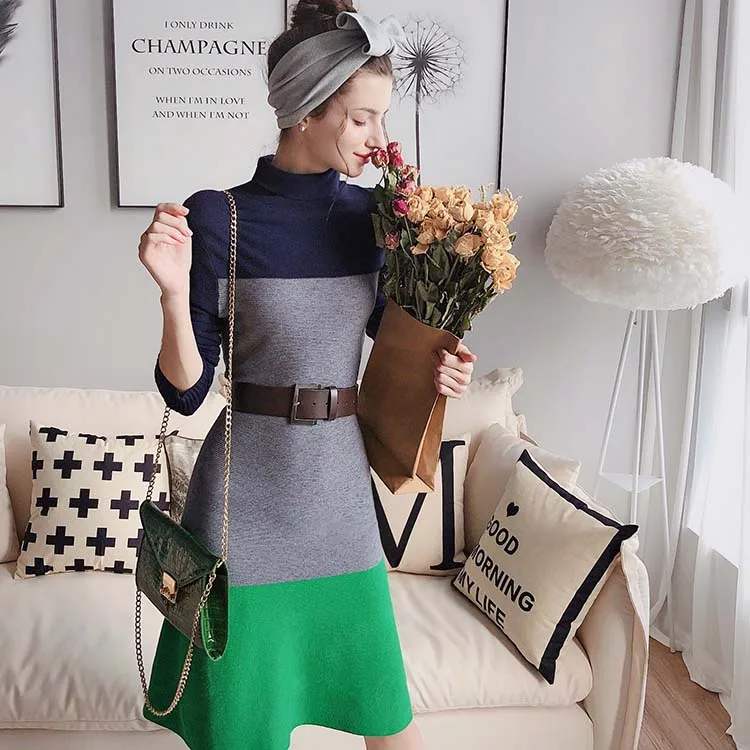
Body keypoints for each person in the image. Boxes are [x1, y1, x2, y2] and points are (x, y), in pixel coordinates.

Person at [137, 2, 477, 748]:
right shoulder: (219, 218)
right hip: (242, 504)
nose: (378, 138)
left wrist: (440, 369)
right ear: (305, 111)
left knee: (388, 720)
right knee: (245, 727)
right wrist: (171, 294)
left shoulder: (377, 220)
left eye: (382, 118)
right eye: (362, 118)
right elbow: (186, 392)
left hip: (338, 498)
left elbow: (396, 346)